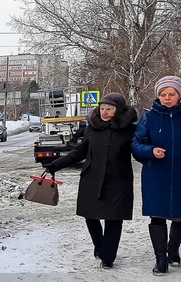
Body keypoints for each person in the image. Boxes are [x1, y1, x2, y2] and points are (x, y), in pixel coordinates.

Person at [45, 93, 138, 269]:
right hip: (92, 178)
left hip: (118, 180)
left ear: (118, 110)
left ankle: (108, 257)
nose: (104, 112)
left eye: (109, 109)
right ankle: (100, 245)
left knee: (114, 218)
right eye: (102, 108)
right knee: (90, 215)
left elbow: (139, 150)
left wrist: (153, 157)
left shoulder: (130, 130)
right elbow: (79, 153)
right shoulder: (92, 128)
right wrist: (55, 165)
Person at [131, 75, 181, 275]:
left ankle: (173, 250)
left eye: (171, 94)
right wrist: (151, 151)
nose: (167, 98)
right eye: (163, 94)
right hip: (157, 174)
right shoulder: (149, 117)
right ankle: (160, 259)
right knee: (157, 216)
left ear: (179, 94)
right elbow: (136, 143)